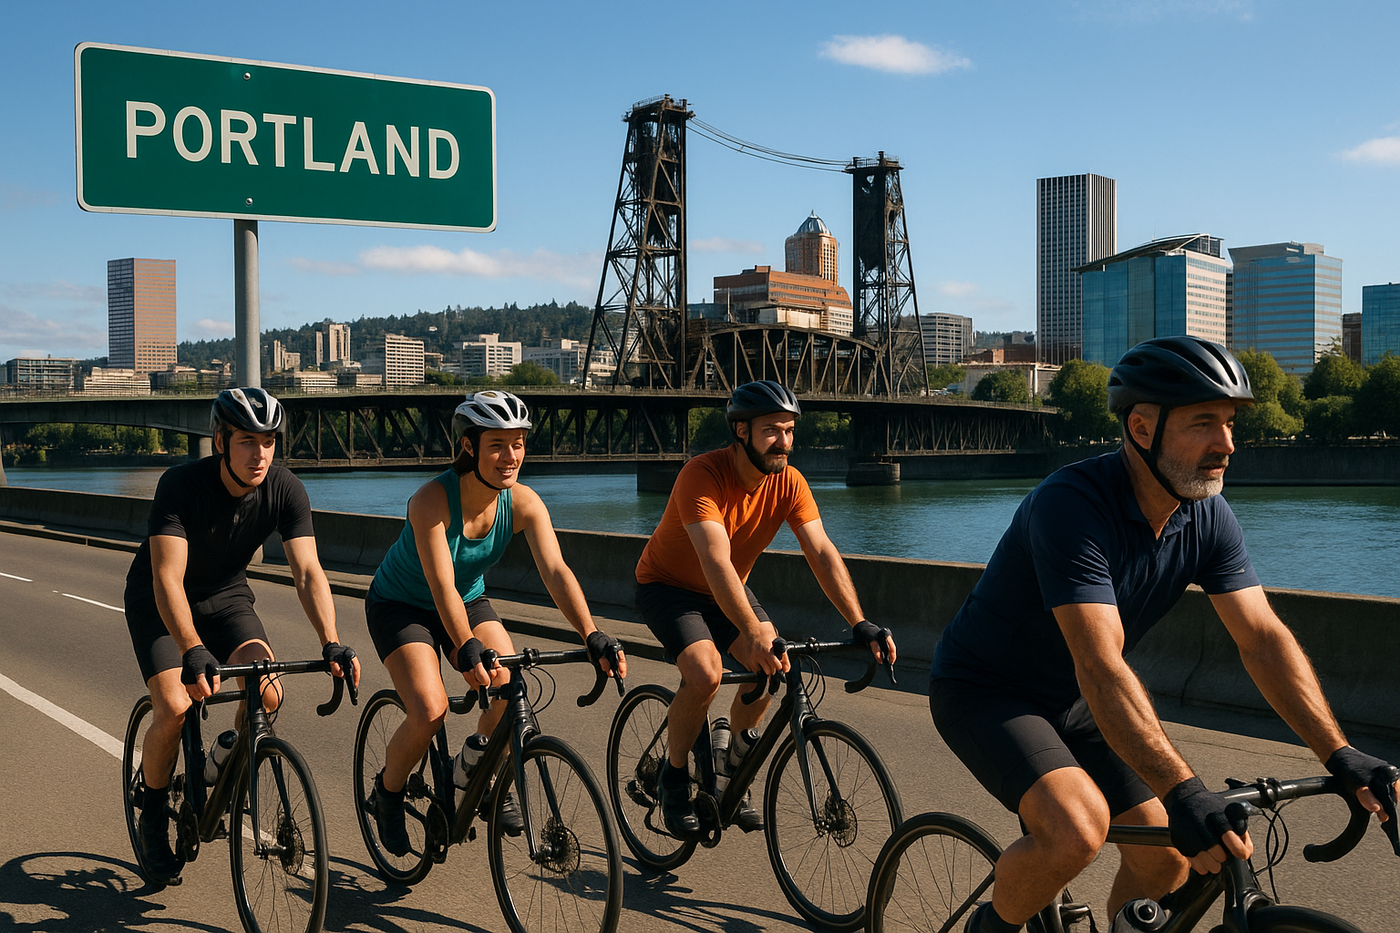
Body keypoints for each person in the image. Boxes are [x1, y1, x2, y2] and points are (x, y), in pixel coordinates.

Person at [928, 337, 1400, 933]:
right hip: (987, 690)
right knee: (1075, 831)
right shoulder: (1071, 506)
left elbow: (1262, 640)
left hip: (1079, 702)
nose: (1226, 444)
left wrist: (1339, 752)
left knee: (1170, 856)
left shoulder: (1206, 514)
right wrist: (1184, 792)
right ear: (1143, 428)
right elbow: (1100, 665)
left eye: (1229, 423)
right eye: (1204, 422)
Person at [365, 390, 625, 855]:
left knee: (508, 687)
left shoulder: (523, 502)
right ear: (469, 446)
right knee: (429, 709)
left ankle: (475, 764)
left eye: (518, 443)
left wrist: (592, 633)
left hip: (467, 599)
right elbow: (440, 584)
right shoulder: (430, 501)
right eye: (497, 445)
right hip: (401, 605)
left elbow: (556, 571)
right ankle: (387, 790)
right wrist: (463, 644)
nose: (511, 457)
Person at [635, 379, 896, 839]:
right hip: (669, 587)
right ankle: (673, 780)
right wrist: (751, 627)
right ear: (741, 431)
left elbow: (821, 552)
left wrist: (859, 622)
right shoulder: (702, 474)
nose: (785, 442)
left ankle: (731, 760)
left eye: (790, 430)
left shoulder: (789, 481)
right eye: (772, 430)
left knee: (771, 666)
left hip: (728, 586)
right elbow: (715, 561)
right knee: (704, 674)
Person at [124, 386, 360, 887]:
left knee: (268, 691)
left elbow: (308, 573)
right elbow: (167, 578)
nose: (260, 454)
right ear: (220, 441)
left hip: (227, 597)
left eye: (269, 441)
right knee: (175, 706)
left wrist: (331, 641)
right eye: (247, 441)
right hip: (160, 602)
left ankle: (222, 758)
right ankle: (152, 808)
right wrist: (190, 648)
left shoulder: (285, 488)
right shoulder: (180, 485)